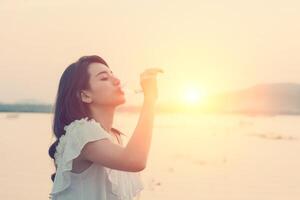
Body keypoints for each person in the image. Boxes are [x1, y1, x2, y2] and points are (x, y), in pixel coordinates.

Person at [48, 55, 163, 200]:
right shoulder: (81, 133)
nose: (117, 81)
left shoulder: (113, 138)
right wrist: (150, 98)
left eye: (113, 75)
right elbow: (135, 160)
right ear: (85, 95)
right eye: (104, 78)